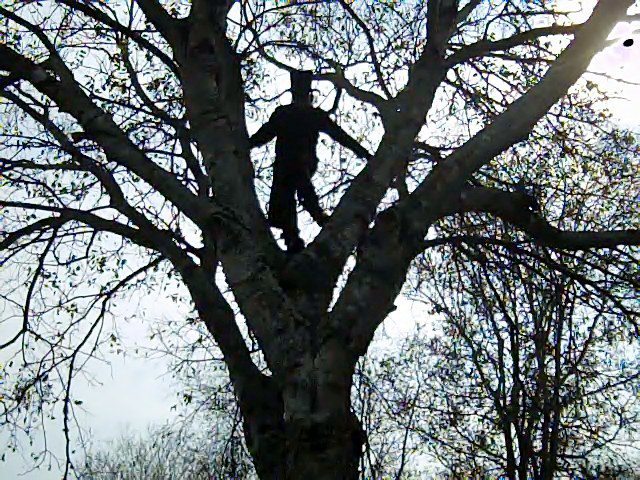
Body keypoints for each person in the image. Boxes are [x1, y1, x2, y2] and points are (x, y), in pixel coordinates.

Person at [250, 70, 372, 253]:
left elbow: (340, 136)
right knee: (286, 194)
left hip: (300, 162)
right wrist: (245, 145)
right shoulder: (287, 114)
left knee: (295, 187)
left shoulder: (305, 114)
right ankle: (293, 235)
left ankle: (305, 225)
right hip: (287, 164)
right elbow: (264, 134)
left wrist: (364, 153)